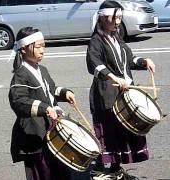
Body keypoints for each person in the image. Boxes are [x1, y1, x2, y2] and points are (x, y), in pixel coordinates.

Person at [86, 1, 156, 179]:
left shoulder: (116, 37)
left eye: (119, 18)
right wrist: (113, 77)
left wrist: (144, 61)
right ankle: (100, 170)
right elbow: (94, 64)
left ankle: (115, 170)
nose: (117, 22)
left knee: (120, 133)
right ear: (102, 18)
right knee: (109, 134)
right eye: (114, 18)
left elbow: (129, 59)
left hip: (122, 93)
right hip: (106, 95)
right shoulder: (96, 40)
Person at [8, 27, 76, 180]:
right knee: (42, 172)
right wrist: (44, 108)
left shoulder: (42, 69)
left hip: (49, 128)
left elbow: (50, 90)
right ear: (24, 49)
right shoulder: (20, 74)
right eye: (38, 46)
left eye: (43, 46)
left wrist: (65, 93)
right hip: (33, 132)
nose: (42, 50)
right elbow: (18, 101)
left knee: (58, 169)